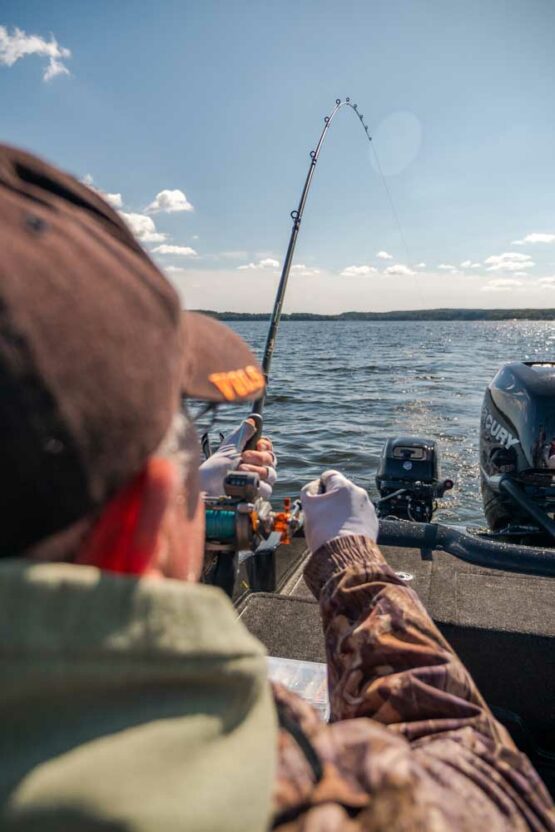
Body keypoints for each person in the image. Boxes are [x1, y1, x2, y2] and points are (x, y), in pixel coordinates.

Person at [0, 144, 552, 832]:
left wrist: (192, 490)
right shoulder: (295, 797)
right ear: (137, 518)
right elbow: (495, 791)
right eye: (183, 420)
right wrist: (352, 562)